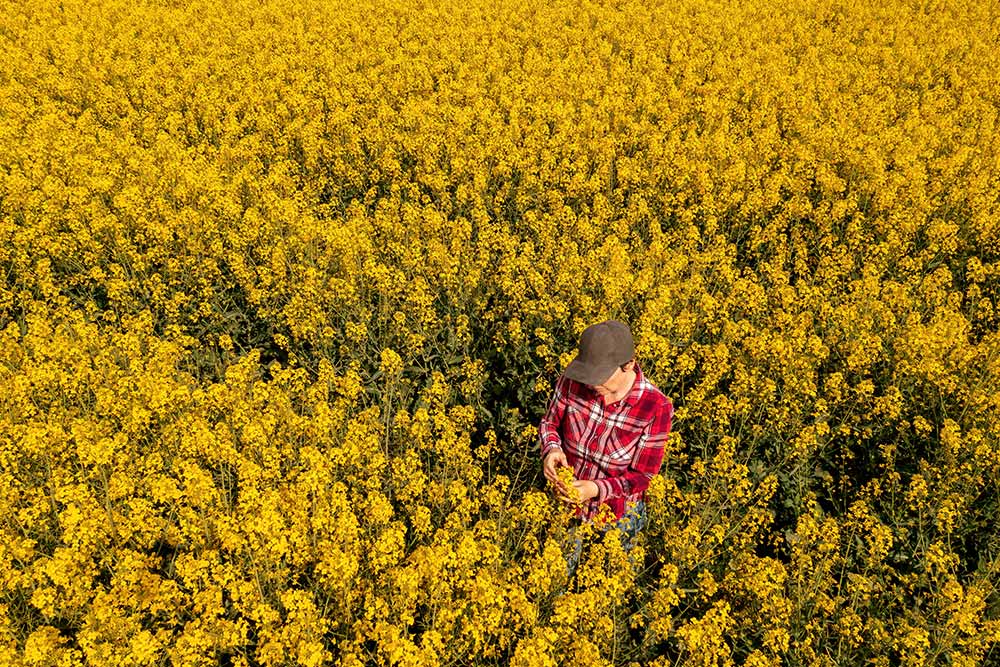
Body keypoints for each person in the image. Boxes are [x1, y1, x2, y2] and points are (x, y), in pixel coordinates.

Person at [538, 319, 673, 578]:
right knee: (554, 580)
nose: (589, 382)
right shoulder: (571, 382)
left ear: (629, 365)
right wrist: (552, 449)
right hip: (566, 503)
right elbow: (549, 423)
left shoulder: (655, 407)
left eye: (598, 374)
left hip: (618, 515)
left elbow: (643, 476)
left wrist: (596, 489)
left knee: (614, 587)